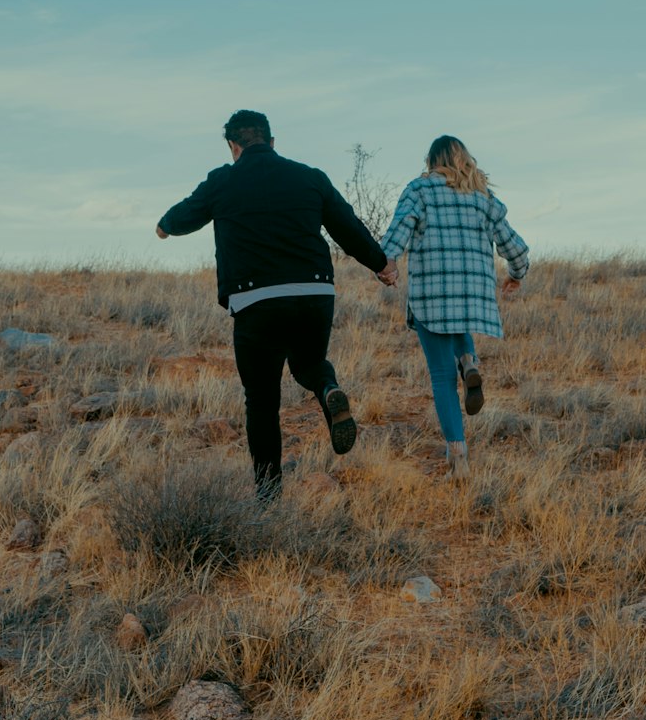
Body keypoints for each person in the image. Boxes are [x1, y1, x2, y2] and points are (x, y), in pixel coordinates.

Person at [156, 110, 397, 498]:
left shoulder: (223, 180)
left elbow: (184, 214)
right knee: (309, 364)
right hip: (314, 293)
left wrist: (164, 226)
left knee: (263, 401)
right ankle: (328, 389)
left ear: (234, 146)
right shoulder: (310, 177)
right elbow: (347, 227)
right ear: (272, 141)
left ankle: (268, 498)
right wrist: (381, 264)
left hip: (257, 300)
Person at [380, 135, 529, 478]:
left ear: (431, 162)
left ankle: (458, 459)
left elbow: (394, 239)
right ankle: (468, 359)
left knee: (441, 378)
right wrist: (516, 275)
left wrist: (386, 268)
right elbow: (516, 248)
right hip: (473, 292)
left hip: (432, 293)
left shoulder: (419, 191)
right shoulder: (483, 198)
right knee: (458, 318)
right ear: (464, 159)